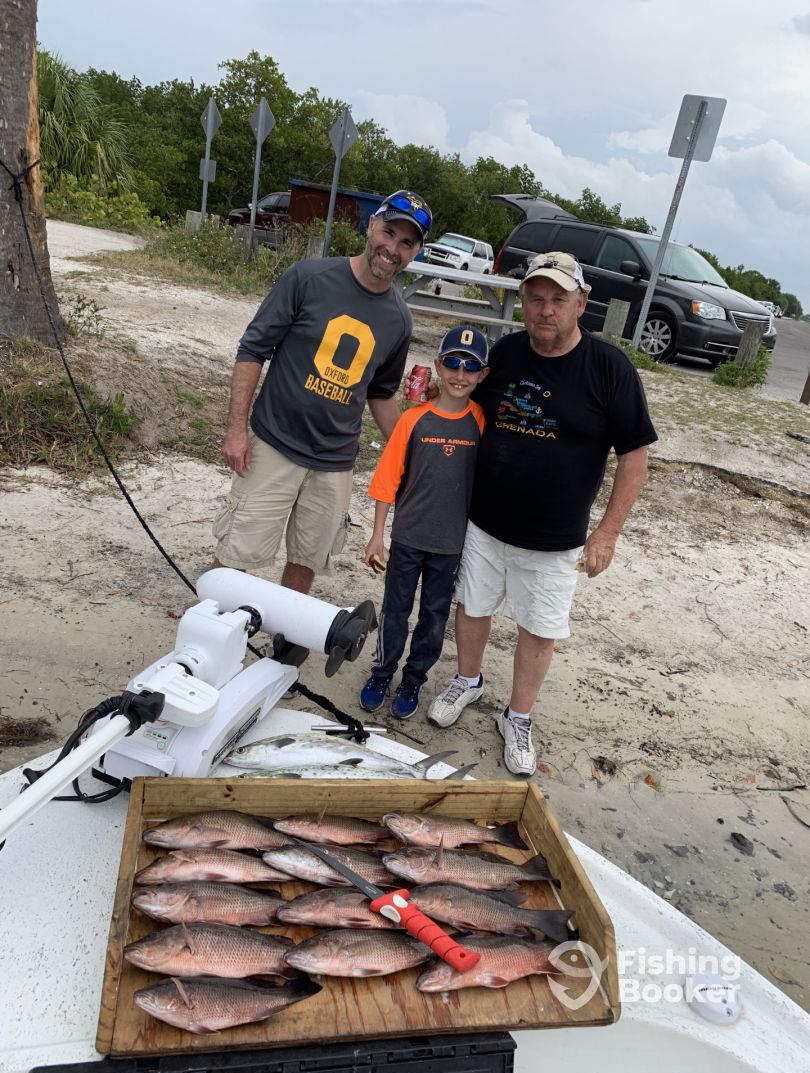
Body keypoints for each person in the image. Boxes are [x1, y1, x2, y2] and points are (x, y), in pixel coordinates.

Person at [427, 252, 658, 776]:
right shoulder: (505, 353)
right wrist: (430, 393)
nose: (545, 310)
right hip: (484, 521)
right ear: (523, 303)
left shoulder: (610, 368)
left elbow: (635, 456)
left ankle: (518, 716)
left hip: (556, 537)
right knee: (473, 606)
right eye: (535, 298)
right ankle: (467, 679)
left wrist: (608, 533)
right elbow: (462, 406)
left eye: (558, 298)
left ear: (581, 303)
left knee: (539, 627)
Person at [212, 190, 432, 594]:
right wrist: (236, 430)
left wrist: (412, 454)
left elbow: (381, 394)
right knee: (235, 555)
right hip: (274, 444)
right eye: (388, 233)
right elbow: (253, 349)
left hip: (335, 462)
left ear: (416, 252)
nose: (393, 249)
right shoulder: (308, 277)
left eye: (406, 243)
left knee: (306, 564)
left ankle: (282, 632)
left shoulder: (400, 320)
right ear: (371, 226)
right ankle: (208, 626)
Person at [359, 326, 489, 720]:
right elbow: (387, 479)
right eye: (452, 363)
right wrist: (377, 536)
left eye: (470, 367)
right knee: (395, 610)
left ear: (482, 374)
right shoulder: (413, 419)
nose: (460, 374)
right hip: (408, 537)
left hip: (450, 544)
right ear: (438, 366)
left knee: (434, 617)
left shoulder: (481, 421)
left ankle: (414, 679)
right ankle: (382, 672)